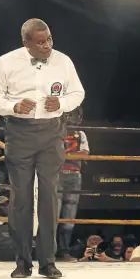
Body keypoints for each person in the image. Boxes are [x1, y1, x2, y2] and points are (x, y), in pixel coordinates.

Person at [0, 18, 85, 279]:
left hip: (52, 133)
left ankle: (48, 261)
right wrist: (12, 107)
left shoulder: (63, 61)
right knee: (21, 198)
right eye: (40, 42)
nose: (47, 45)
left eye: (49, 39)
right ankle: (22, 261)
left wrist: (61, 104)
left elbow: (78, 93)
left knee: (50, 196)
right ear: (25, 43)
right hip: (19, 131)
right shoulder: (6, 62)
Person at [56, 106, 89, 262]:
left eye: (75, 114)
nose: (72, 117)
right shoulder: (55, 131)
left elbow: (84, 154)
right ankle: (49, 251)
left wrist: (64, 155)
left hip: (74, 176)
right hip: (57, 175)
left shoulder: (80, 134)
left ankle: (64, 252)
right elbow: (52, 153)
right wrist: (68, 156)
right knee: (52, 214)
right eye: (69, 114)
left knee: (69, 217)